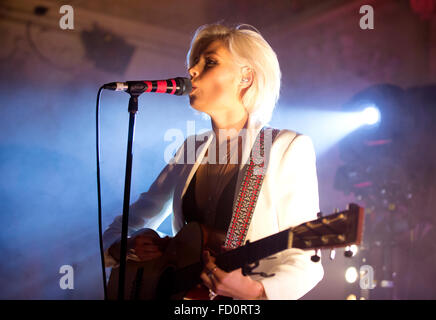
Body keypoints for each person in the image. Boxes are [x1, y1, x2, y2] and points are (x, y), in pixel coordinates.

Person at [103, 23, 324, 300]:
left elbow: (307, 263)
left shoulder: (286, 148)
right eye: (194, 63)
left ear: (246, 77)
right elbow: (121, 228)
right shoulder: (191, 149)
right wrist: (123, 247)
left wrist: (258, 292)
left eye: (210, 62)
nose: (192, 70)